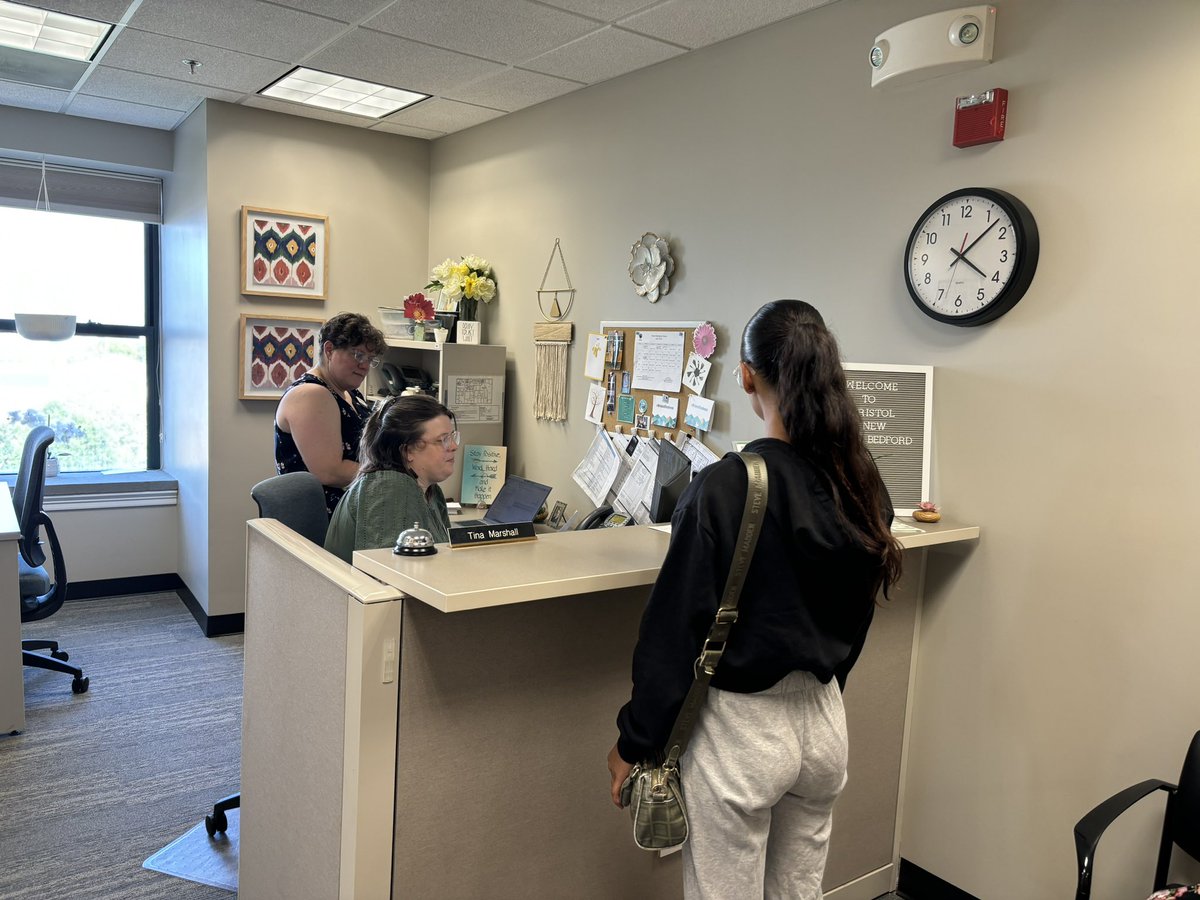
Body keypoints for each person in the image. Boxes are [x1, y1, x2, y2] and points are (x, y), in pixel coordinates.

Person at [607, 299, 904, 900]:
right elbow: (858, 615)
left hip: (741, 732)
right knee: (798, 894)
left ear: (745, 376)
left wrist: (634, 742)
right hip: (824, 725)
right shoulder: (863, 484)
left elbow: (673, 632)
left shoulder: (727, 485)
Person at [274, 312, 387, 517]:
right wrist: (390, 475)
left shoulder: (349, 393)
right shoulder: (311, 394)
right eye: (358, 355)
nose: (365, 366)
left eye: (370, 359)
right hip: (321, 519)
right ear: (329, 349)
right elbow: (329, 471)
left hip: (352, 511)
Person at [324, 393, 458, 563]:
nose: (453, 446)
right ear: (407, 451)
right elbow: (389, 574)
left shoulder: (432, 491)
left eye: (452, 436)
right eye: (443, 440)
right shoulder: (389, 487)